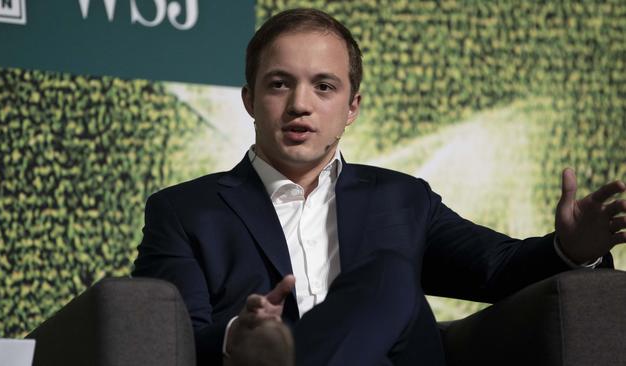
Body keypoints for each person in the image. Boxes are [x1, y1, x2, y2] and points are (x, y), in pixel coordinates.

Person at [132, 8, 626, 366]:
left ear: (352, 108)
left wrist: (571, 250)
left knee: (388, 274)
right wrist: (242, 332)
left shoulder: (403, 199)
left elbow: (500, 270)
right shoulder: (183, 211)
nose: (300, 104)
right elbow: (171, 339)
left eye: (324, 86)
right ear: (249, 100)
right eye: (279, 84)